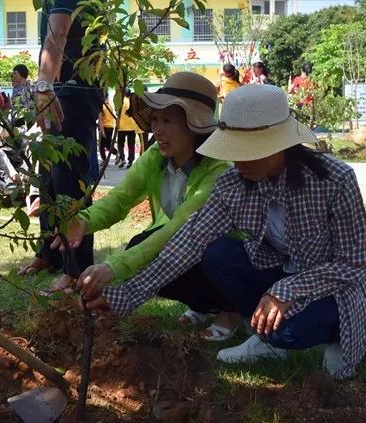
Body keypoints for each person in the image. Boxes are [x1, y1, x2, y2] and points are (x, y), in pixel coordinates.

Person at [83, 84, 366, 379]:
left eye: (249, 150)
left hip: (340, 287)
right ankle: (267, 339)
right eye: (234, 149)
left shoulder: (334, 180)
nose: (239, 160)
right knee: (218, 254)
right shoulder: (233, 184)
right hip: (280, 274)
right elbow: (189, 242)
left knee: (287, 331)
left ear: (280, 144)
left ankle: (331, 334)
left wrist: (287, 291)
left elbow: (354, 263)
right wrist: (125, 296)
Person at [59, 73, 238, 336]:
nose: (157, 129)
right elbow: (121, 197)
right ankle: (202, 306)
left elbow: (178, 229)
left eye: (168, 120)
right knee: (140, 248)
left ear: (194, 126)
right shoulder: (155, 156)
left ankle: (231, 310)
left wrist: (114, 266)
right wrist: (84, 221)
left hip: (226, 253)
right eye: (155, 119)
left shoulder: (219, 171)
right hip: (184, 247)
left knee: (213, 253)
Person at [17, 0, 107, 291]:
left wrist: (42, 87)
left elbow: (57, 39)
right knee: (50, 175)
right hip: (62, 89)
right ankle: (49, 253)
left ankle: (75, 271)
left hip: (73, 89)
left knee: (69, 180)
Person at [115, 90, 140, 168]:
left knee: (120, 144)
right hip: (132, 127)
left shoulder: (120, 102)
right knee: (131, 145)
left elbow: (116, 112)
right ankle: (130, 161)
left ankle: (122, 158)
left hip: (121, 127)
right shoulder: (133, 102)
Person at [98, 95, 118, 164]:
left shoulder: (101, 107)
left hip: (105, 127)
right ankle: (117, 153)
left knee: (101, 146)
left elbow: (100, 120)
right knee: (108, 144)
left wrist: (102, 130)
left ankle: (104, 160)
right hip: (111, 127)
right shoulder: (110, 106)